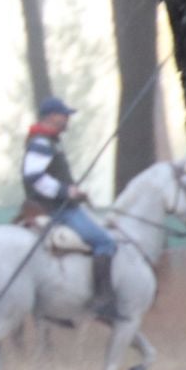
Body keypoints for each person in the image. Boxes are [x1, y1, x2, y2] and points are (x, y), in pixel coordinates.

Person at [23, 96, 120, 322]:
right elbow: (34, 177)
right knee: (105, 242)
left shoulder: (50, 141)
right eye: (64, 114)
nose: (67, 119)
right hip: (58, 209)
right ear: (51, 116)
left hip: (60, 203)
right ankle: (102, 298)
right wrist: (66, 192)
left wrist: (74, 191)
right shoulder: (41, 142)